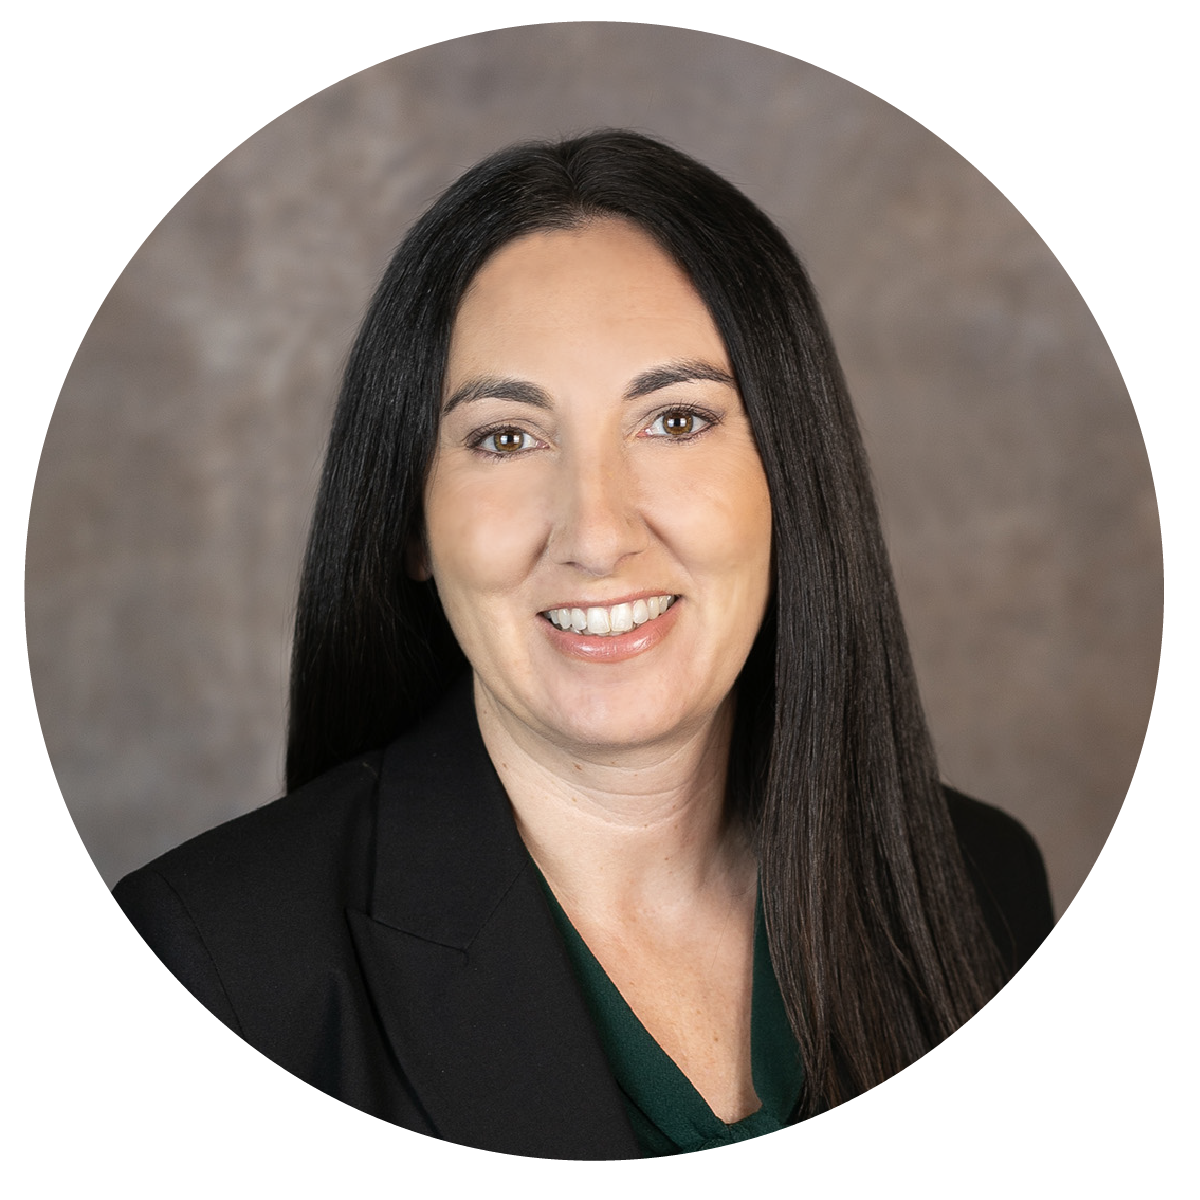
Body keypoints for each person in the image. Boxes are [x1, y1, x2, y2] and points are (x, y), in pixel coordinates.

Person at [112, 130, 1054, 1187]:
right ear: (413, 521)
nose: (596, 532)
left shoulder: (989, 890)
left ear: (791, 476)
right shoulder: (218, 971)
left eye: (677, 419)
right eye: (507, 437)